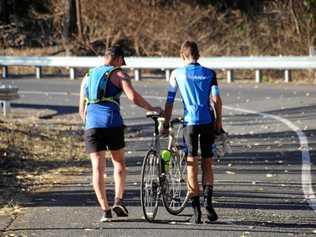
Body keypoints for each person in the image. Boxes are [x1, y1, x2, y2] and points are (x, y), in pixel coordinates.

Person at [79, 45, 162, 222]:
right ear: (117, 59)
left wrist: (90, 123)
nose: (121, 66)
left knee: (97, 169)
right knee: (119, 163)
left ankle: (105, 210)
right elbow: (134, 97)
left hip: (91, 126)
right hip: (112, 124)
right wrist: (151, 108)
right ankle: (119, 199)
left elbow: (81, 109)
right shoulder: (119, 74)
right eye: (121, 62)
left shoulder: (87, 76)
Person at [161, 40, 223, 224]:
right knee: (208, 163)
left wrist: (165, 123)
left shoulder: (177, 74)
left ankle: (196, 212)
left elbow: (170, 101)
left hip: (190, 123)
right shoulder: (210, 73)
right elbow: (216, 99)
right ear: (198, 55)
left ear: (182, 55)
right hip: (207, 122)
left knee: (191, 163)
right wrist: (218, 122)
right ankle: (209, 204)